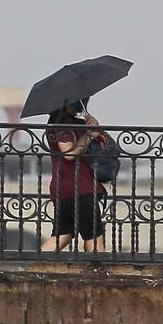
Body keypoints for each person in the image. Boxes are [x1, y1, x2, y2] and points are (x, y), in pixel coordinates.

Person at [41, 100, 106, 253]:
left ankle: (28, 266)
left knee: (63, 234)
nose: (84, 101)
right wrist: (90, 134)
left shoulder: (61, 122)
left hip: (64, 187)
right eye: (81, 99)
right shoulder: (63, 123)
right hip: (79, 187)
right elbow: (69, 153)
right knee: (94, 237)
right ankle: (99, 272)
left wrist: (91, 126)